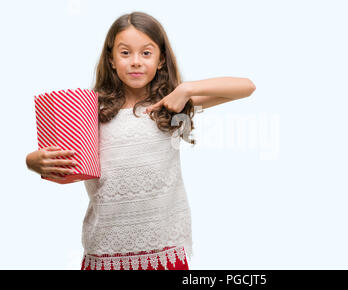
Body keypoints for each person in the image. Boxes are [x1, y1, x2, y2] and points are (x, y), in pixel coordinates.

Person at [25, 11, 256, 270]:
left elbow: (245, 87)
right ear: (111, 60)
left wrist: (186, 89)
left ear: (160, 60)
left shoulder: (170, 104)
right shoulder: (91, 109)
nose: (135, 62)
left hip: (162, 251)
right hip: (105, 252)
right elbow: (65, 165)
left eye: (146, 53)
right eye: (125, 53)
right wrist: (32, 161)